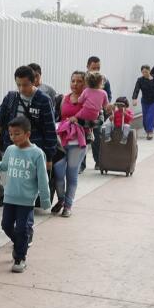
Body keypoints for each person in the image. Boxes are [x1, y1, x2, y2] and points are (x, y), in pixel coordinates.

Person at [0, 65, 57, 236]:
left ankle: (25, 229)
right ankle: (19, 231)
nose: (22, 89)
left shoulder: (43, 100)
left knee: (28, 191)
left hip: (32, 152)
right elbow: (0, 122)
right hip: (11, 149)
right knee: (11, 186)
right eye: (19, 85)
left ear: (34, 82)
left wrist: (49, 156)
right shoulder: (11, 98)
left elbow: (49, 128)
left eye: (25, 85)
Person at [0, 116, 51, 273]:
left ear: (27, 134)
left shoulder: (37, 154)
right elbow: (3, 166)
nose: (13, 137)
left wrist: (45, 200)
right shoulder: (11, 150)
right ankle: (20, 243)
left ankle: (20, 257)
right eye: (11, 134)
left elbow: (42, 179)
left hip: (26, 201)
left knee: (21, 229)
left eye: (17, 134)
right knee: (6, 225)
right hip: (9, 198)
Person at [52, 71, 103, 217]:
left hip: (79, 142)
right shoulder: (62, 99)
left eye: (79, 81)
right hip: (62, 140)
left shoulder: (93, 100)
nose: (75, 84)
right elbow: (55, 117)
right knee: (59, 172)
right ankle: (61, 199)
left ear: (86, 83)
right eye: (73, 81)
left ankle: (68, 205)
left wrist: (79, 121)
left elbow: (99, 120)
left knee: (72, 174)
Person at [85, 56, 112, 169]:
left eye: (98, 68)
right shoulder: (82, 78)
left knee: (97, 136)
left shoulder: (104, 79)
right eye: (93, 68)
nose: (96, 70)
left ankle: (98, 161)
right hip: (84, 113)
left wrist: (105, 108)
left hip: (97, 113)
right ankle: (81, 165)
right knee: (82, 138)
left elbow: (108, 95)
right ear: (87, 66)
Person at [132, 64, 154, 140]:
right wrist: (134, 99)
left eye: (146, 72)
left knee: (150, 116)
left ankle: (150, 132)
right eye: (143, 72)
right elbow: (136, 90)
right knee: (145, 118)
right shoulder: (140, 80)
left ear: (149, 71)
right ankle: (147, 130)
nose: (144, 74)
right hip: (145, 101)